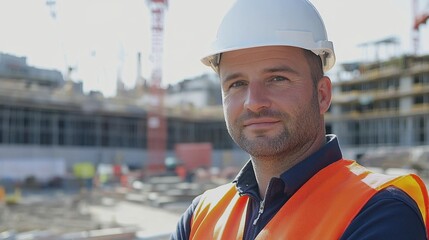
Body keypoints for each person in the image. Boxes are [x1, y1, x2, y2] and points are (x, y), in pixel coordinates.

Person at [171, 0, 429, 239]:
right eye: (237, 83)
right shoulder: (200, 216)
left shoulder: (379, 211)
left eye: (277, 79)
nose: (254, 101)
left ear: (322, 95)